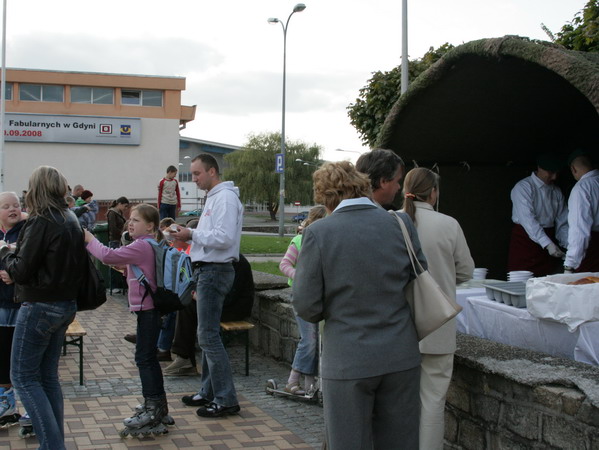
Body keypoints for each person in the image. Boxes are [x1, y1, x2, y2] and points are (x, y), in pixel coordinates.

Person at [292, 161, 424, 450]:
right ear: (363, 185)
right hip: (401, 354)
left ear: (325, 197)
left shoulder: (319, 233)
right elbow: (419, 277)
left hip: (348, 358)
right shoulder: (400, 225)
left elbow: (305, 304)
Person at [0, 166, 87, 450]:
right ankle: (54, 443)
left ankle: (52, 446)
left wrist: (6, 255)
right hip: (64, 306)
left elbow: (22, 271)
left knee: (23, 378)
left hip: (40, 306)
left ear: (36, 189)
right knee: (48, 377)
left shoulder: (41, 221)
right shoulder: (69, 217)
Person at [402, 168, 474, 450]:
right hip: (437, 325)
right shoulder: (448, 224)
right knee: (433, 402)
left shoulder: (390, 222)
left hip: (400, 324)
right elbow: (466, 272)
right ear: (433, 193)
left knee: (398, 402)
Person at [84, 203, 172, 435]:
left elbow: (107, 254)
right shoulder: (150, 244)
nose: (130, 223)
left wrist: (89, 238)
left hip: (148, 310)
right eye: (130, 219)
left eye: (136, 220)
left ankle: (153, 406)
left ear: (151, 226)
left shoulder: (142, 245)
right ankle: (158, 405)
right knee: (148, 358)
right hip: (151, 310)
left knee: (144, 359)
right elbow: (127, 265)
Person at [172, 153, 243, 418]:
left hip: (215, 271)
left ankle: (226, 399)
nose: (193, 179)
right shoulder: (215, 197)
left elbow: (223, 239)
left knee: (209, 336)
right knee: (208, 335)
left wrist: (191, 234)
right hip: (208, 270)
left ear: (212, 171)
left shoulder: (224, 197)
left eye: (197, 173)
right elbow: (212, 238)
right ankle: (209, 391)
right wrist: (187, 239)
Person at [164, 253, 255, 377]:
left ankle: (183, 357)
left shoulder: (235, 263)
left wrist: (200, 297)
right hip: (219, 303)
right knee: (183, 302)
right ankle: (179, 355)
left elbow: (229, 297)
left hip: (234, 309)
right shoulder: (215, 260)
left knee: (188, 305)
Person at [279, 205, 326, 394]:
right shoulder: (299, 240)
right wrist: (301, 277)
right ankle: (292, 381)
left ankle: (309, 383)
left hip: (319, 297)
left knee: (317, 341)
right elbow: (284, 264)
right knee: (309, 340)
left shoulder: (324, 242)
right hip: (301, 295)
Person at [507, 154, 569, 276]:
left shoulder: (556, 191)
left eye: (557, 173)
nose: (554, 177)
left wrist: (569, 244)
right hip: (525, 241)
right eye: (551, 172)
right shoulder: (523, 188)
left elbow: (563, 223)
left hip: (548, 242)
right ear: (540, 168)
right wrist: (547, 244)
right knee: (520, 283)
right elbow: (528, 220)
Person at [0, 192, 26, 428]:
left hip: (23, 304)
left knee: (23, 357)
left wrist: (14, 274)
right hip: (1, 305)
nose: (12, 209)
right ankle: (6, 403)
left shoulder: (28, 230)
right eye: (6, 206)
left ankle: (29, 408)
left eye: (16, 205)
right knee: (2, 355)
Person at [564, 151, 599, 273]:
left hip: (593, 250)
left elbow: (580, 230)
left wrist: (570, 264)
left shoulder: (582, 188)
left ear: (573, 169)